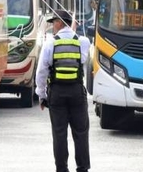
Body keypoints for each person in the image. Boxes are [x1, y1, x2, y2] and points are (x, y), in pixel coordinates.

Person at [36, 9, 91, 172]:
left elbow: (41, 72)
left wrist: (42, 95)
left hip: (57, 93)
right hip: (76, 92)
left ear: (60, 23)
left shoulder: (50, 43)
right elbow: (83, 58)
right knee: (81, 132)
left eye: (54, 22)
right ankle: (82, 168)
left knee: (59, 133)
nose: (53, 26)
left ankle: (62, 168)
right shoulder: (83, 42)